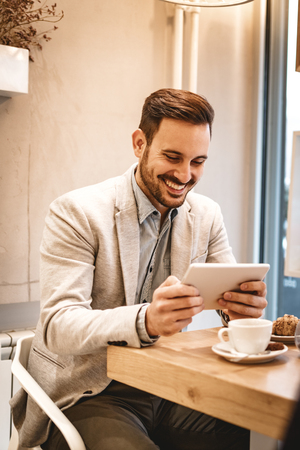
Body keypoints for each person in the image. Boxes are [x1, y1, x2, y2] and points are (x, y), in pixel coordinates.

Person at [10, 88, 267, 450]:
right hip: (87, 393)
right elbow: (57, 325)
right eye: (173, 156)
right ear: (139, 143)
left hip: (165, 383)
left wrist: (240, 311)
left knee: (263, 432)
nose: (185, 174)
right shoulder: (77, 212)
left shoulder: (206, 215)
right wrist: (145, 320)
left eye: (198, 161)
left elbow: (228, 294)